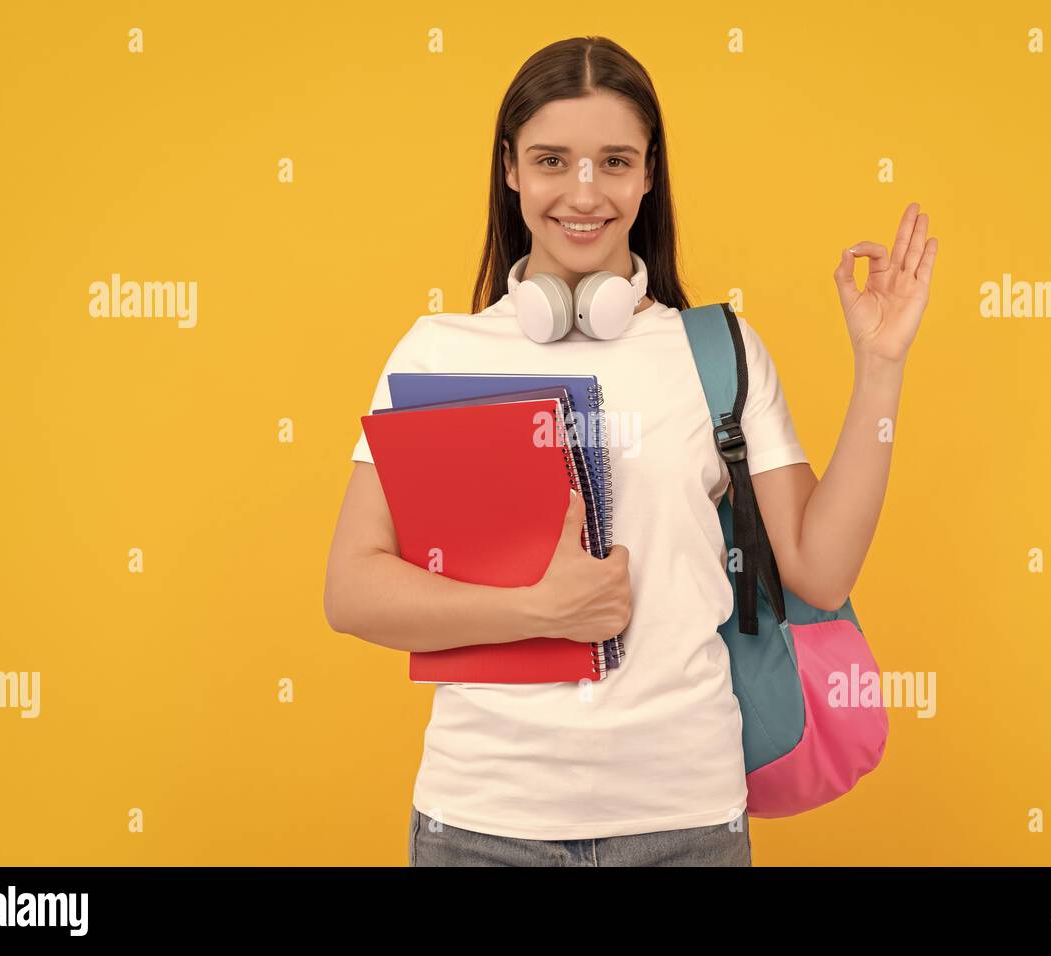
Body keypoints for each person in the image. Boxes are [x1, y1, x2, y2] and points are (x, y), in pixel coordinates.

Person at [324, 36, 937, 867]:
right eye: (552, 160)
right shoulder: (437, 352)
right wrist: (540, 612)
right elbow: (352, 589)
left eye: (615, 161)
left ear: (650, 175)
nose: (585, 192)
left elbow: (821, 572)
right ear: (510, 169)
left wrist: (881, 368)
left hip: (686, 821)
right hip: (481, 822)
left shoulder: (716, 351)